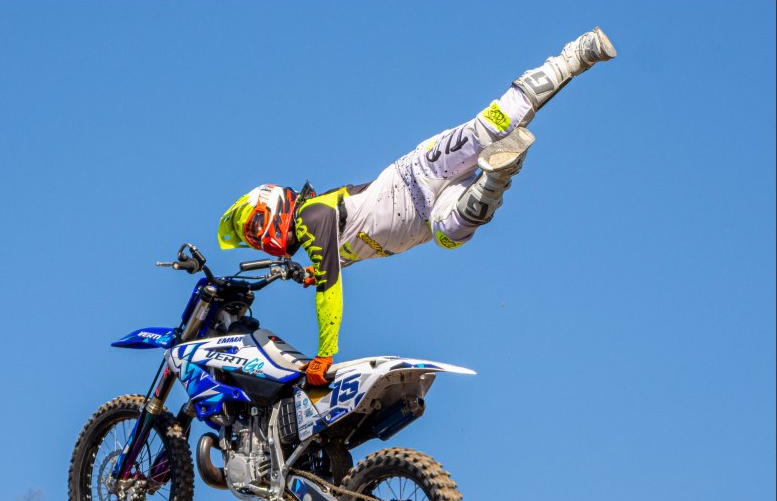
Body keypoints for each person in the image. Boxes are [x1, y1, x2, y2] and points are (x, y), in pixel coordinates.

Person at [216, 27, 616, 386]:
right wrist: (309, 271)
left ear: (268, 205)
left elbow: (329, 285)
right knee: (451, 233)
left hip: (418, 175)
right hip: (427, 220)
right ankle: (499, 173)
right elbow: (339, 254)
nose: (257, 241)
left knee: (494, 124)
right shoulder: (322, 233)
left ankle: (575, 54)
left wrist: (325, 352)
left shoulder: (310, 215)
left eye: (253, 228)